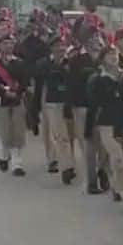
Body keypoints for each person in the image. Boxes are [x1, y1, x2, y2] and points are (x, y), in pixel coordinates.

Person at [87, 47, 123, 211]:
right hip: (107, 123)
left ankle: (117, 186)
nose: (113, 57)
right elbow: (94, 105)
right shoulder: (98, 80)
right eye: (109, 55)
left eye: (115, 54)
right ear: (102, 59)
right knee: (118, 158)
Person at [0, 33, 32, 175]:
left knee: (18, 132)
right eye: (5, 43)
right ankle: (4, 155)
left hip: (17, 101)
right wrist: (3, 92)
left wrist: (18, 92)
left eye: (11, 43)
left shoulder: (19, 63)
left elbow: (24, 81)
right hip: (0, 101)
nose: (9, 46)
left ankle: (17, 164)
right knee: (4, 132)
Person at [65, 30, 107, 194]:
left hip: (103, 107)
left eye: (98, 37)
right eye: (92, 37)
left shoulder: (105, 58)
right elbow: (71, 85)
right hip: (83, 107)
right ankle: (91, 182)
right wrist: (69, 109)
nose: (96, 40)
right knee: (89, 144)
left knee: (105, 143)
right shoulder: (77, 61)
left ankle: (102, 170)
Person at [35, 38, 74, 181]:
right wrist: (35, 109)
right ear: (51, 48)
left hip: (69, 102)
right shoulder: (43, 65)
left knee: (70, 135)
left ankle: (69, 161)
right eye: (57, 46)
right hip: (52, 102)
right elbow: (38, 86)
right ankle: (65, 166)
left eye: (63, 46)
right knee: (59, 135)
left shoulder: (70, 63)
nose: (60, 49)